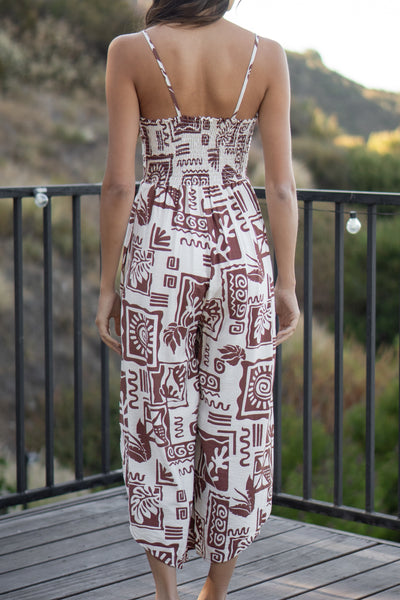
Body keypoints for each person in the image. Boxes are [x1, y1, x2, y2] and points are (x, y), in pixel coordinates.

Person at [96, 1, 299, 598]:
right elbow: (281, 186)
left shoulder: (131, 52)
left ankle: (168, 594)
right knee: (236, 421)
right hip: (239, 244)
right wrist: (286, 282)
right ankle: (217, 589)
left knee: (158, 417)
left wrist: (107, 285)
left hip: (162, 246)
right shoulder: (266, 55)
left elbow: (119, 183)